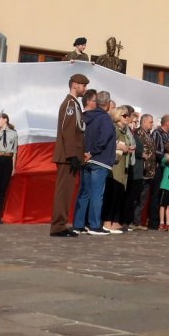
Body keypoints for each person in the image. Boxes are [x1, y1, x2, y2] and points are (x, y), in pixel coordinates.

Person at [72, 89, 118, 236]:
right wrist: (92, 152)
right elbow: (104, 138)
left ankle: (78, 224)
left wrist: (85, 152)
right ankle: (94, 225)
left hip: (86, 158)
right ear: (108, 104)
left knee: (84, 192)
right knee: (97, 193)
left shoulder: (86, 116)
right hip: (100, 159)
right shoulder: (105, 118)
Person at [51, 72, 89, 238]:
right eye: (83, 85)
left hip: (71, 155)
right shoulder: (70, 105)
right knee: (63, 192)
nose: (85, 89)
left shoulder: (74, 104)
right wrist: (72, 155)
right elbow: (67, 131)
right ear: (75, 85)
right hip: (67, 157)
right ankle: (58, 226)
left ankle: (61, 224)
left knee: (66, 193)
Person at [146, 114, 169, 229]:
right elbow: (154, 150)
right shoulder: (157, 133)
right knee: (156, 194)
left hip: (167, 169)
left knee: (163, 197)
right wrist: (165, 156)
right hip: (158, 168)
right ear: (167, 122)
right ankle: (153, 222)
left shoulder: (168, 135)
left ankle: (160, 222)